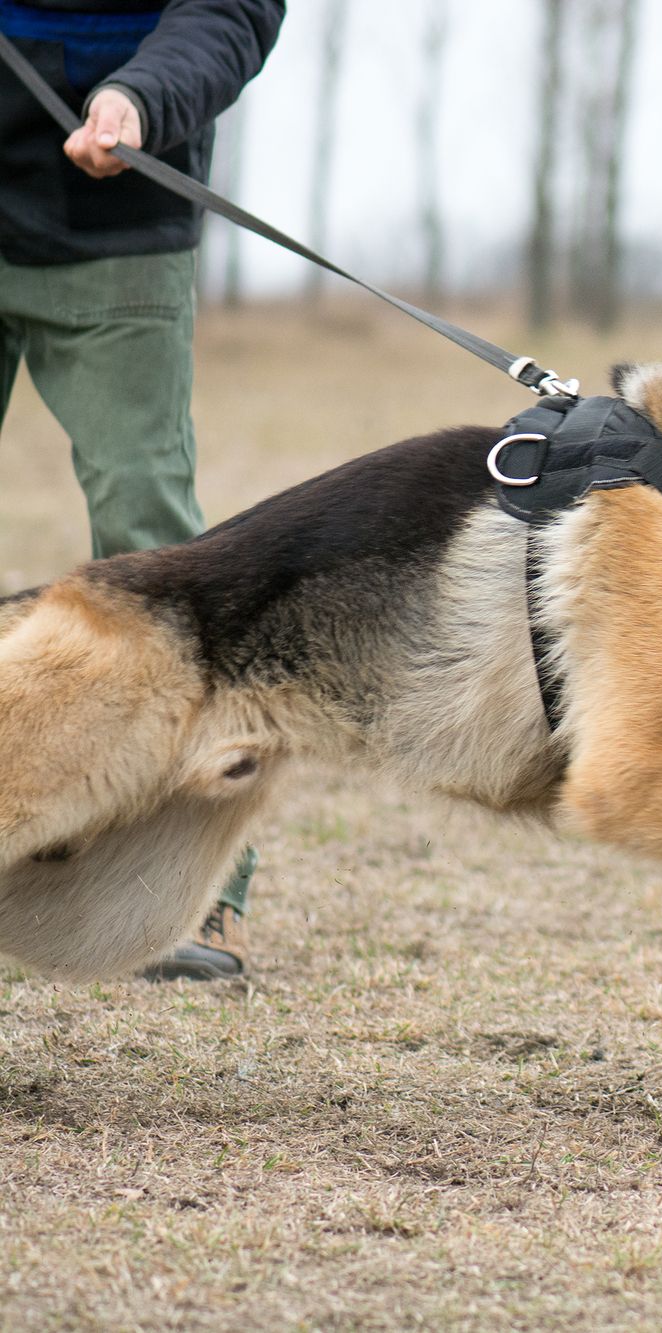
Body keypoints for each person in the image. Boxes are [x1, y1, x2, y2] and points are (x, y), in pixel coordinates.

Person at [0, 0, 285, 979]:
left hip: (120, 219)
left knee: (150, 534)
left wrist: (142, 96)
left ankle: (203, 901)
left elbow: (231, 8)